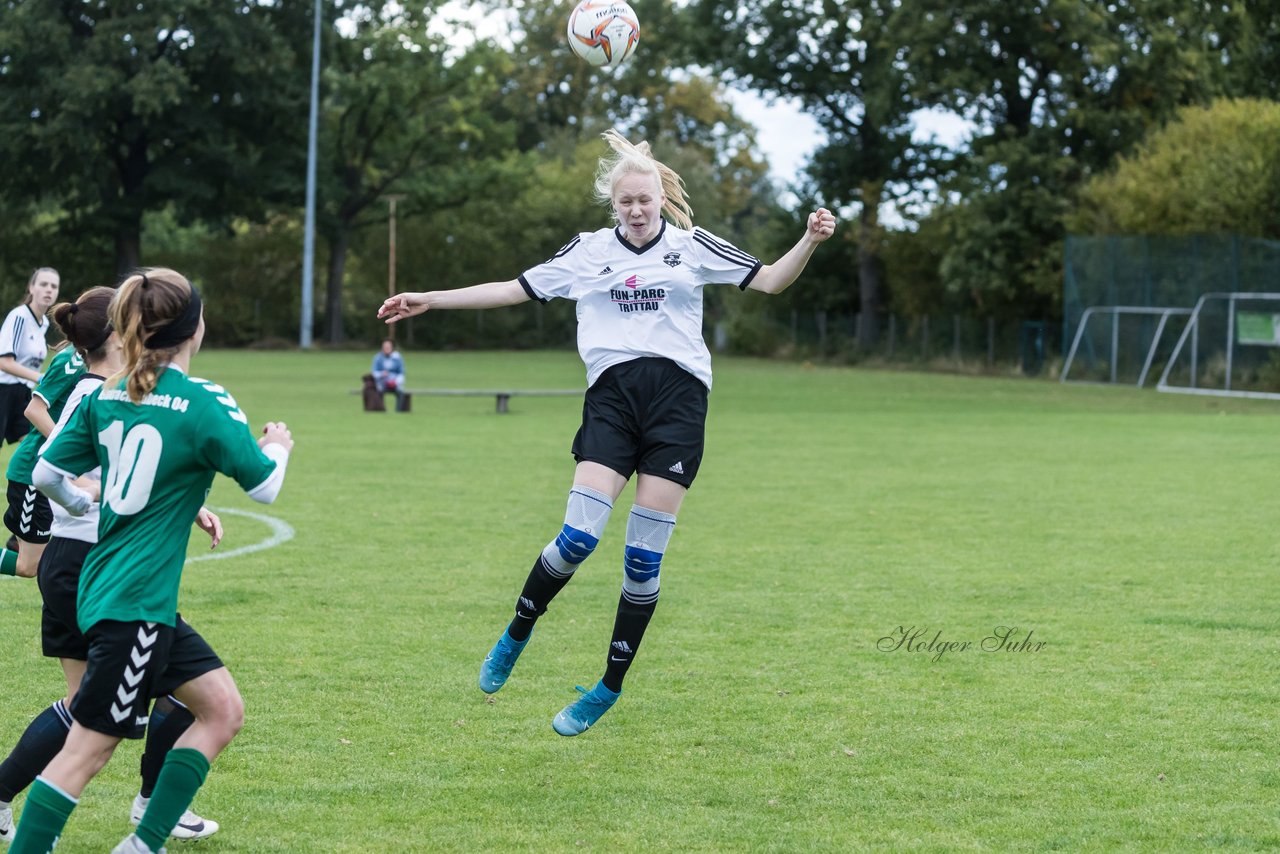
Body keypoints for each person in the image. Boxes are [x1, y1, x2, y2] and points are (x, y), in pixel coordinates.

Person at [378, 129, 836, 736]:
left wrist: (808, 238)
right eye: (626, 203)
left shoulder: (691, 245)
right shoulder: (587, 253)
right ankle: (518, 629)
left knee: (642, 561)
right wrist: (431, 299)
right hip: (613, 399)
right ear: (613, 205)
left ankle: (607, 687)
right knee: (577, 538)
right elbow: (513, 289)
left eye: (646, 200)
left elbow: (773, 280)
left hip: (678, 404)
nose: (638, 211)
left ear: (661, 199)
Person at [8, 268, 294, 854]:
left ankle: (144, 843)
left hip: (117, 592)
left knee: (221, 709)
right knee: (87, 751)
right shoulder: (203, 399)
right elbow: (264, 487)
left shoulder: (110, 391)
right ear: (194, 329)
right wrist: (277, 446)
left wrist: (87, 496)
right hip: (133, 602)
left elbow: (44, 472)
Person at [0, 287, 222, 845]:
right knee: (118, 715)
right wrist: (86, 497)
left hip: (87, 565)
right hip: (93, 566)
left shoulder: (112, 392)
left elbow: (138, 474)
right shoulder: (98, 394)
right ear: (124, 336)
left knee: (139, 702)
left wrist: (188, 506)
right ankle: (148, 813)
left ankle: (146, 807)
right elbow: (66, 472)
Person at [0, 334, 83, 579]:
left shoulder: (102, 362)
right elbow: (34, 410)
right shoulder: (72, 361)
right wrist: (67, 450)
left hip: (57, 474)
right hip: (33, 474)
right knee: (29, 567)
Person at [0, 268, 60, 447]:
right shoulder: (20, 316)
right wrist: (41, 377)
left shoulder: (45, 323)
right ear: (31, 288)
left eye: (54, 286)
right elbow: (3, 362)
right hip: (4, 390)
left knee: (33, 447)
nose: (49, 289)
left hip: (24, 393)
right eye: (43, 284)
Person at [371, 337, 407, 411]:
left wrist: (396, 382)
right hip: (382, 382)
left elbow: (402, 373)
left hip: (395, 383)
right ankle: (381, 410)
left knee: (400, 392)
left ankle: (398, 411)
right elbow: (374, 373)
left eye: (388, 347)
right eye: (385, 347)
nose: (386, 349)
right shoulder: (378, 358)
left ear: (392, 348)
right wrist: (381, 374)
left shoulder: (397, 358)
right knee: (378, 391)